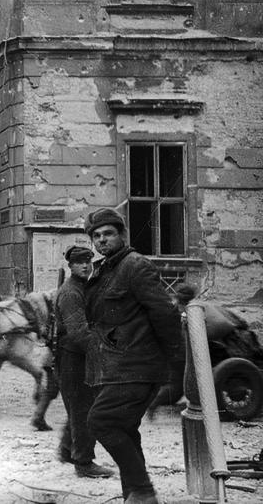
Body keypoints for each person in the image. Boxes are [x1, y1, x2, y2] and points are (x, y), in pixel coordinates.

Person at [83, 208, 182, 504]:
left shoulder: (135, 265)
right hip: (117, 365)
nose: (102, 240)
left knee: (101, 422)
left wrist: (174, 363)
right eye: (96, 236)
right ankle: (134, 493)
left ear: (121, 235)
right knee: (125, 427)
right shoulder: (105, 270)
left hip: (138, 365)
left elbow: (165, 313)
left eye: (108, 234)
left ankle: (142, 491)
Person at [149, 281, 263, 412]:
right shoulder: (197, 308)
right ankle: (154, 404)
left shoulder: (184, 308)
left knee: (177, 385)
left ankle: (154, 402)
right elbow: (231, 323)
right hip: (184, 350)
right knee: (177, 385)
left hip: (180, 349)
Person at [54, 246, 115, 479]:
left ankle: (68, 450)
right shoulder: (71, 292)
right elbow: (79, 333)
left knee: (79, 408)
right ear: (70, 266)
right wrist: (104, 351)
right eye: (80, 263)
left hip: (75, 355)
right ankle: (84, 463)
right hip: (73, 357)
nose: (86, 266)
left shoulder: (80, 287)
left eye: (88, 262)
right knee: (84, 411)